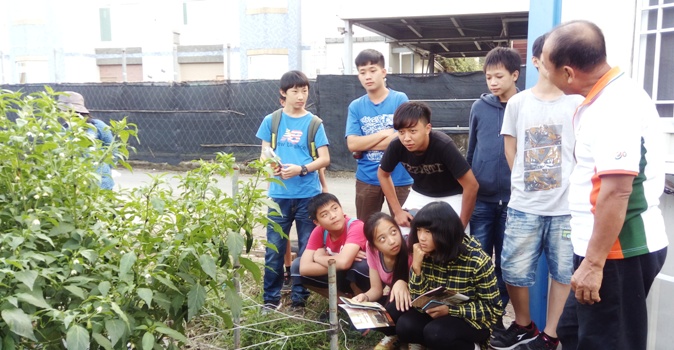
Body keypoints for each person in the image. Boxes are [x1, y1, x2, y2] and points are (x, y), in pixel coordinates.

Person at [541, 20, 668, 350]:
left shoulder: (614, 106)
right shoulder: (601, 99)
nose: (543, 72)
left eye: (545, 66)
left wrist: (595, 264)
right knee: (572, 331)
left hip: (618, 250)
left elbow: (617, 190)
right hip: (601, 250)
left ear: (568, 73)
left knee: (607, 342)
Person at [490, 34, 583, 350]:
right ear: (535, 61)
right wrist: (527, 182)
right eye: (549, 54)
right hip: (524, 205)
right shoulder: (518, 103)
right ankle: (523, 324)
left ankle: (551, 335)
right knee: (513, 270)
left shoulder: (577, 102)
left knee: (564, 272)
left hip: (567, 209)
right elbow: (510, 148)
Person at [256, 70, 331, 312]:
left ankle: (300, 298)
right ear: (283, 93)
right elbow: (264, 153)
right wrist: (272, 165)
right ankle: (270, 299)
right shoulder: (272, 120)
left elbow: (324, 159)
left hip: (308, 195)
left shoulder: (314, 123)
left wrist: (301, 169)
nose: (301, 96)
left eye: (304, 91)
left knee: (308, 249)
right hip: (278, 196)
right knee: (274, 248)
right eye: (295, 91)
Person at [385, 201, 501, 349]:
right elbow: (418, 299)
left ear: (445, 231)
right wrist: (417, 268)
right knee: (405, 325)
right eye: (419, 230)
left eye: (428, 231)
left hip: (471, 320)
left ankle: (473, 347)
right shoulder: (424, 253)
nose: (421, 237)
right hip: (437, 313)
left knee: (437, 333)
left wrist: (451, 310)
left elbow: (493, 309)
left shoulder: (477, 260)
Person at [466, 46, 522, 320]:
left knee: (506, 262)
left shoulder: (526, 106)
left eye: (499, 76)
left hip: (514, 201)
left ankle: (495, 315)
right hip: (482, 200)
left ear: (515, 75)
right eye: (489, 77)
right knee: (478, 259)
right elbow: (471, 148)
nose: (493, 82)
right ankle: (476, 313)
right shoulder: (479, 107)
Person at [377, 101, 479, 233]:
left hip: (452, 195)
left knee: (453, 241)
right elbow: (383, 174)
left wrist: (461, 226)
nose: (406, 138)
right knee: (402, 234)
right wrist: (398, 211)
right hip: (420, 193)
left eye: (413, 131)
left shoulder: (443, 145)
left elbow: (471, 185)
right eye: (401, 132)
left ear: (428, 128)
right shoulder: (396, 145)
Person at [345, 49, 413, 222]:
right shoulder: (356, 106)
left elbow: (404, 139)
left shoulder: (400, 99)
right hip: (367, 179)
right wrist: (384, 134)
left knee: (405, 230)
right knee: (366, 231)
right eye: (362, 72)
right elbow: (352, 144)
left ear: (383, 72)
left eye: (373, 70)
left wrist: (365, 143)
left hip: (399, 178)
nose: (368, 76)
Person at [292, 193, 369, 300]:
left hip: (364, 279)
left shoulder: (356, 226)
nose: (333, 216)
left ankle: (361, 304)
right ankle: (340, 302)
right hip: (339, 275)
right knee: (296, 266)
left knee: (359, 265)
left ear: (341, 209)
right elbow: (304, 268)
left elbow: (344, 263)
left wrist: (319, 258)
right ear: (317, 222)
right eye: (324, 214)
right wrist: (340, 261)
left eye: (335, 209)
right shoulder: (319, 231)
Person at [353, 212, 412, 350]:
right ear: (374, 246)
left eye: (393, 232)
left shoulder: (410, 248)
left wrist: (405, 284)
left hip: (414, 300)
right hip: (395, 300)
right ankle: (393, 336)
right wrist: (365, 297)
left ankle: (414, 340)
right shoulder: (371, 250)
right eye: (382, 239)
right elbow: (376, 289)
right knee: (370, 311)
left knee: (394, 313)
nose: (392, 241)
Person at [58, 91, 116, 190]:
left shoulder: (97, 126)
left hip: (101, 182)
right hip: (77, 184)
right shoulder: (63, 130)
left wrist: (104, 169)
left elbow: (112, 150)